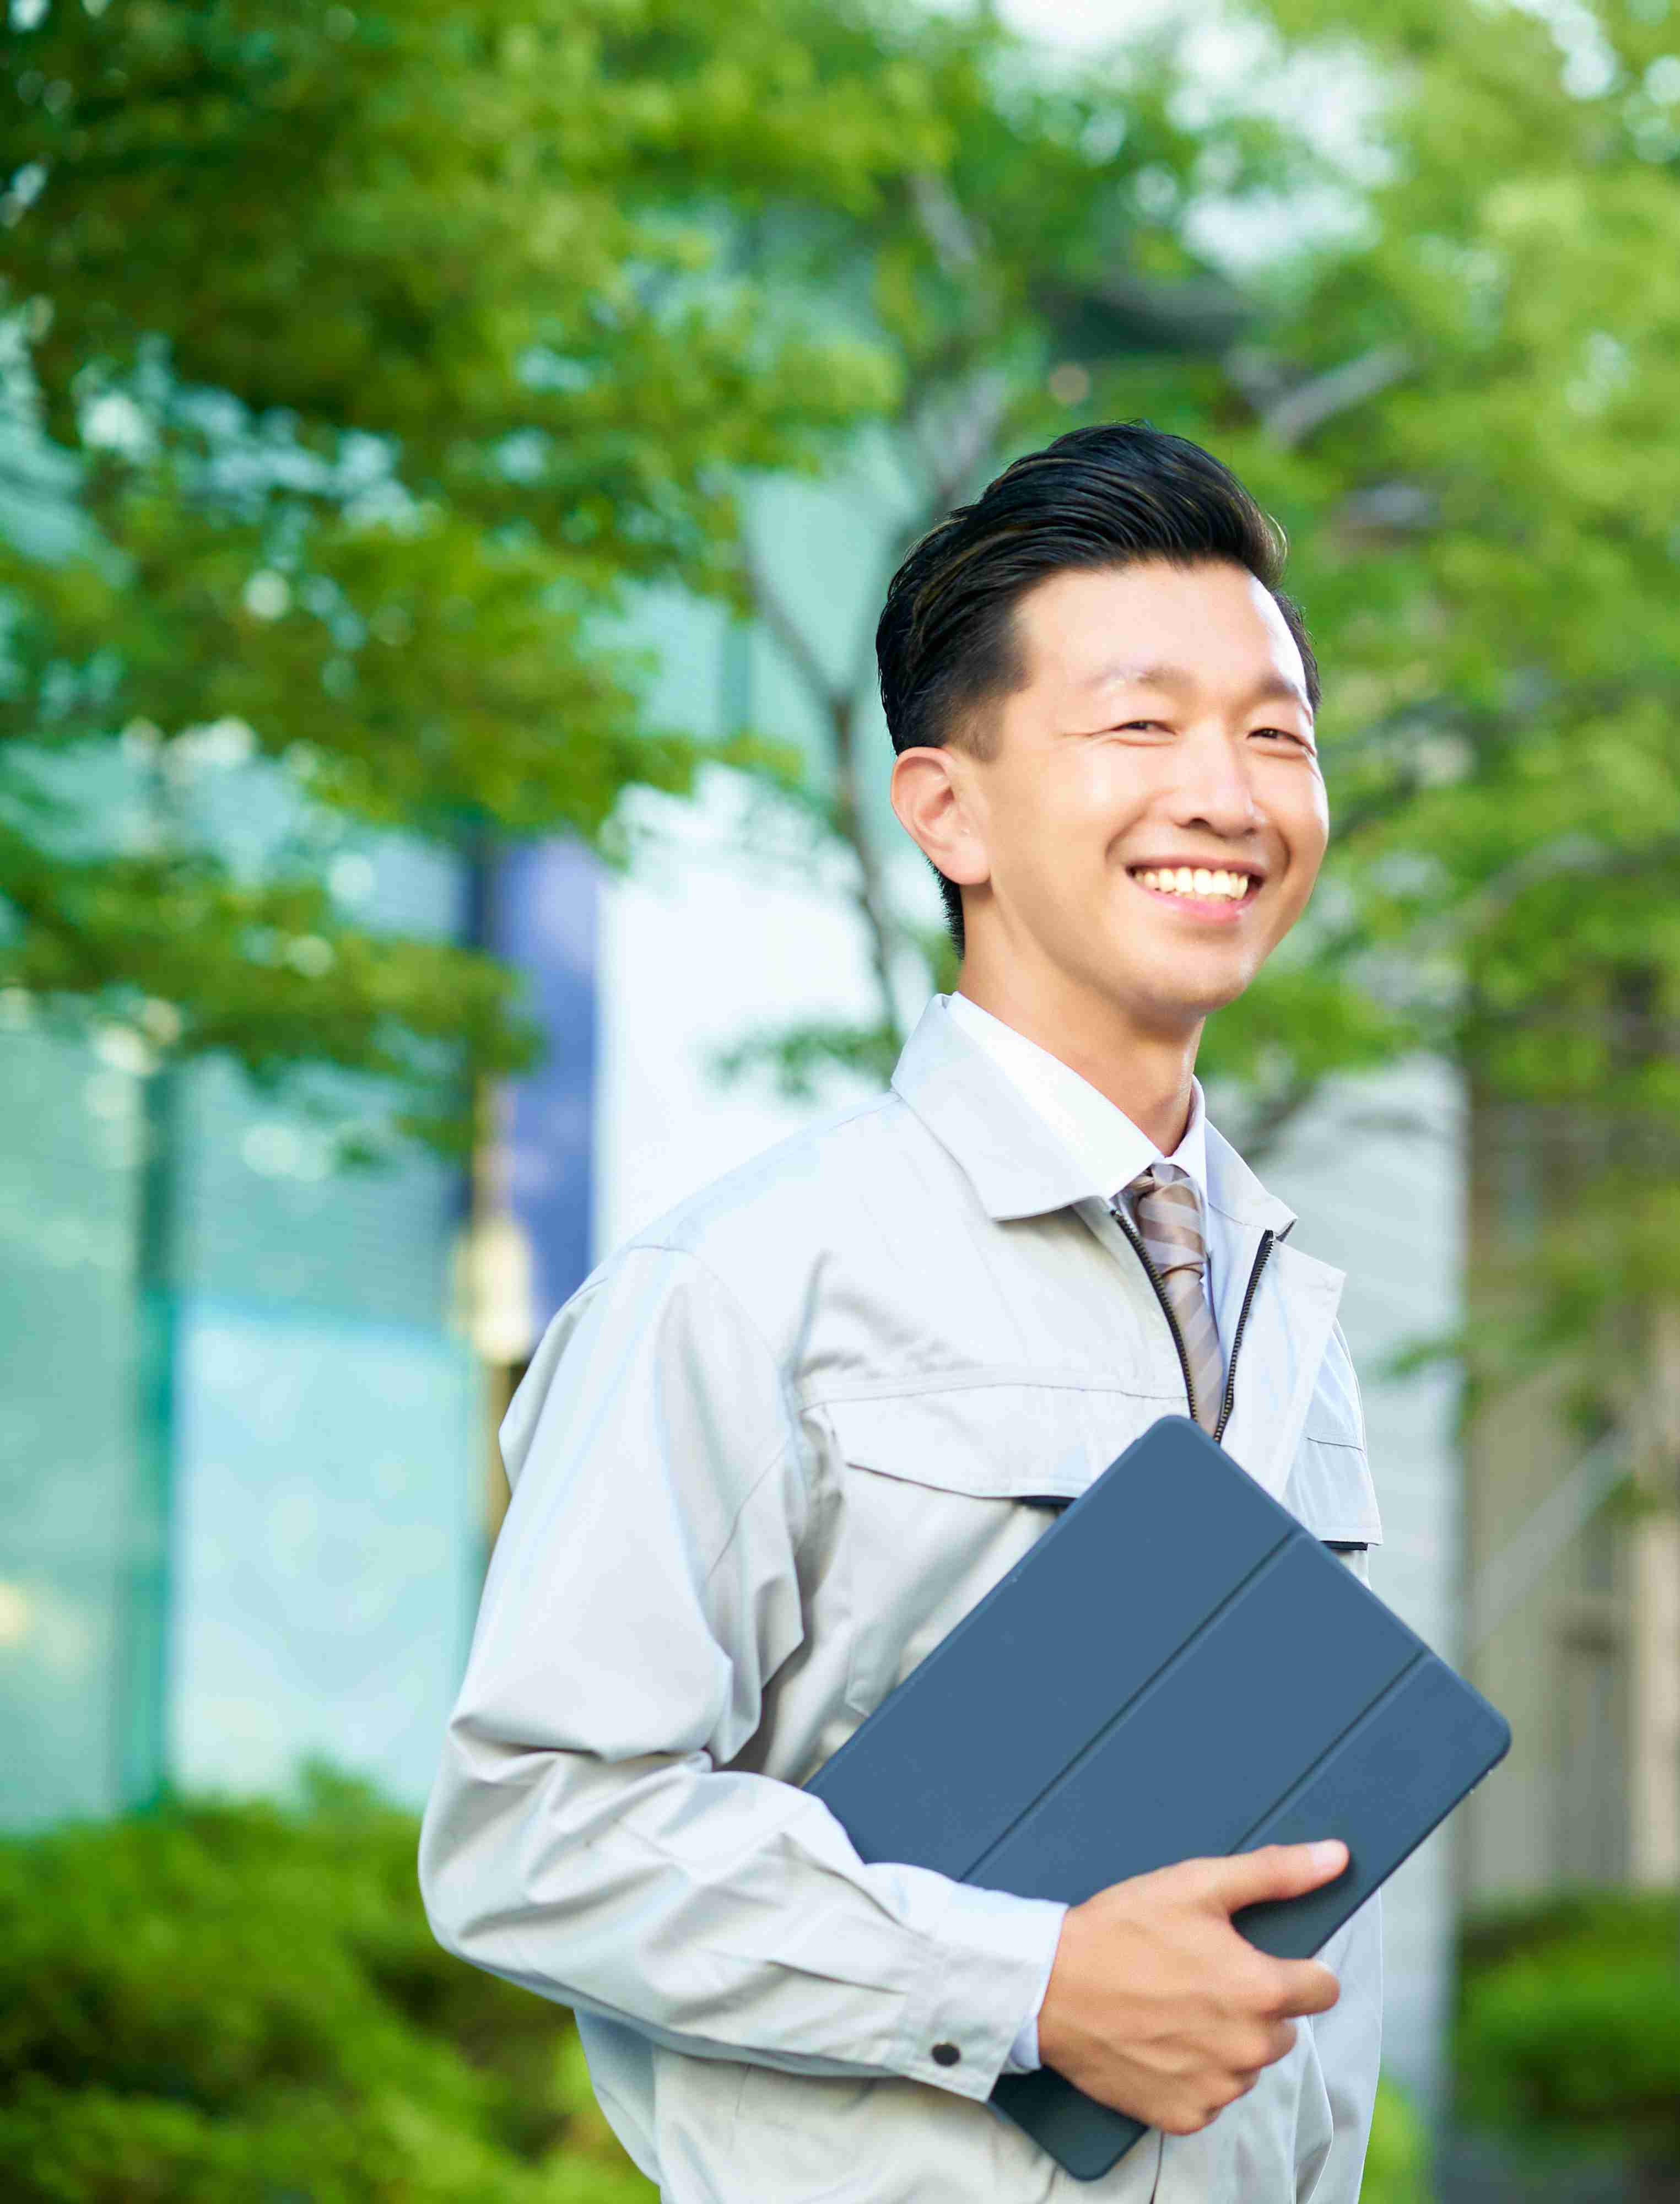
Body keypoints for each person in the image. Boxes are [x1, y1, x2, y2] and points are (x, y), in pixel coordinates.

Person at [420, 425, 1390, 2202]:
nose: (1228, 792)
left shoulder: (1280, 1299)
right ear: (945, 807)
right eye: (1139, 725)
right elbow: (531, 1832)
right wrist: (1022, 1986)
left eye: (1275, 731)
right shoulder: (742, 1286)